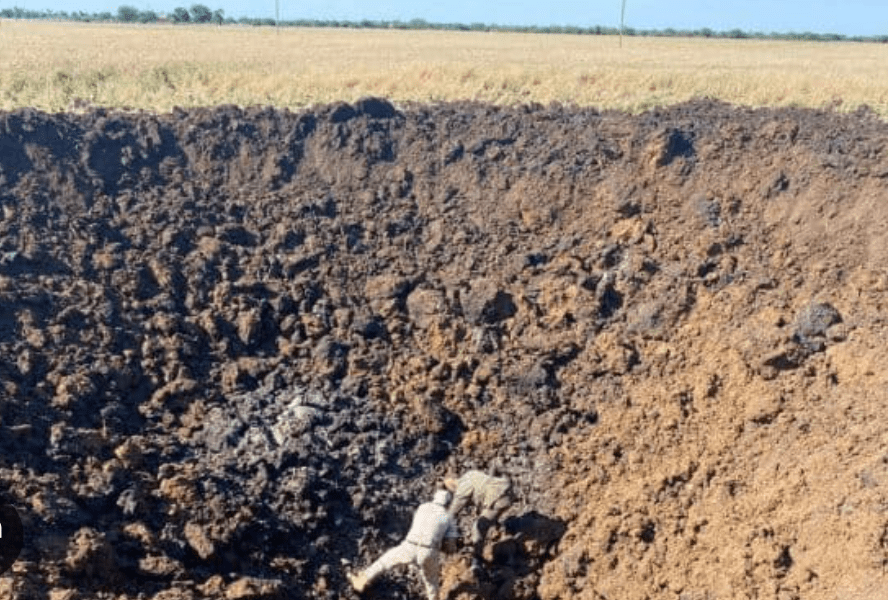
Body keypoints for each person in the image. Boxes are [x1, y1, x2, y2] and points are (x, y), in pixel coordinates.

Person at [347, 489, 459, 600]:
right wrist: (448, 549)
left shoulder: (423, 507)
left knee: (384, 562)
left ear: (435, 498)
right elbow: (450, 545)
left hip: (410, 545)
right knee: (431, 583)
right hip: (428, 551)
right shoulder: (447, 516)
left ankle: (361, 581)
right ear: (447, 503)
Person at [444, 469, 513, 565]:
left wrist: (440, 521)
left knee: (478, 527)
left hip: (498, 497)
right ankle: (495, 528)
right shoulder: (469, 474)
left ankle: (477, 561)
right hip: (505, 490)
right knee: (487, 517)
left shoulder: (463, 486)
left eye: (448, 487)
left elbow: (453, 511)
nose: (450, 491)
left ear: (452, 482)